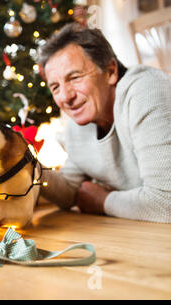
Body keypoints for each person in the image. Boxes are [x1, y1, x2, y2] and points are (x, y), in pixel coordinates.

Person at [37, 23, 171, 223]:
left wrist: (103, 201)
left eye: (74, 77)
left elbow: (166, 201)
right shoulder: (80, 119)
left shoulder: (147, 92)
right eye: (55, 87)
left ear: (110, 72)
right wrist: (25, 164)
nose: (65, 96)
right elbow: (70, 191)